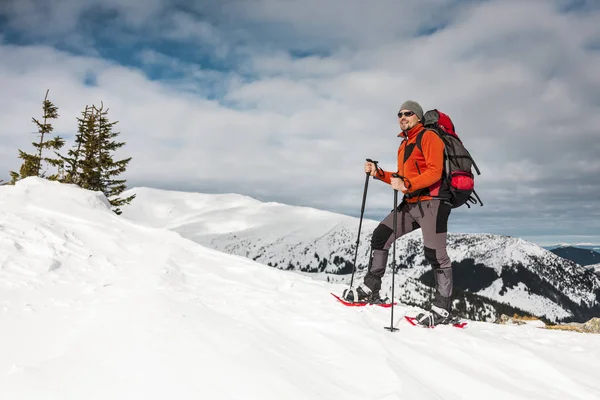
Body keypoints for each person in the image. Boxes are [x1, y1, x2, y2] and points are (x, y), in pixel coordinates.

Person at [343, 100, 454, 326]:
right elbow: (401, 177)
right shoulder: (404, 144)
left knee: (436, 254)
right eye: (399, 114)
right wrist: (378, 173)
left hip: (432, 203)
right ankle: (370, 289)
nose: (402, 117)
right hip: (411, 203)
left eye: (408, 113)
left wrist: (407, 184)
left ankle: (443, 309)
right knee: (381, 235)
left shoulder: (428, 137)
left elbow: (435, 171)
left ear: (418, 117)